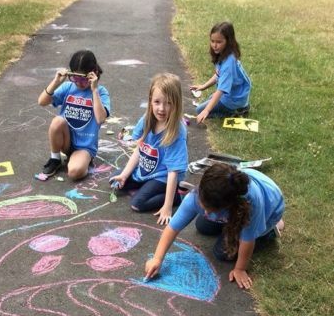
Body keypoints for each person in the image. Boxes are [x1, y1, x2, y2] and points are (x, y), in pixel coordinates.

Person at [145, 163, 285, 289]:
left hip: (270, 209)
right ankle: (227, 225)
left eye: (211, 210)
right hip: (233, 201)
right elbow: (173, 227)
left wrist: (240, 268)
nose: (205, 212)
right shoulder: (197, 196)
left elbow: (247, 240)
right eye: (203, 207)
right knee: (203, 226)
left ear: (227, 206)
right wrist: (157, 258)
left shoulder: (248, 206)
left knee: (222, 253)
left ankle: (270, 231)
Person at [110, 73, 188, 225]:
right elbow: (140, 150)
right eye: (157, 102)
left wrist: (167, 206)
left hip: (163, 177)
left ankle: (176, 197)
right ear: (150, 101)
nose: (161, 108)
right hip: (146, 170)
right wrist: (125, 175)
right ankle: (142, 183)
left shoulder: (176, 132)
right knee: (115, 181)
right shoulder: (147, 119)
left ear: (176, 104)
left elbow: (173, 172)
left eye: (168, 103)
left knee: (137, 204)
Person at [38, 50, 110, 180]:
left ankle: (82, 160)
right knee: (57, 121)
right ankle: (55, 158)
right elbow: (41, 102)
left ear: (94, 73)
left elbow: (100, 118)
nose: (78, 83)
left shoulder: (101, 92)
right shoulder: (68, 87)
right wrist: (55, 82)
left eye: (82, 79)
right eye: (74, 78)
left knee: (74, 173)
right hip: (67, 141)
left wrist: (94, 90)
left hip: (85, 146)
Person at [190, 22, 251, 124]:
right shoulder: (224, 54)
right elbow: (218, 75)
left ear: (228, 41)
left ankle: (236, 111)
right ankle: (239, 106)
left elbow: (221, 90)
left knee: (199, 110)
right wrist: (203, 86)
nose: (214, 45)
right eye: (212, 41)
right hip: (235, 95)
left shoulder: (228, 63)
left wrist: (206, 110)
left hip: (234, 99)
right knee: (211, 99)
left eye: (219, 42)